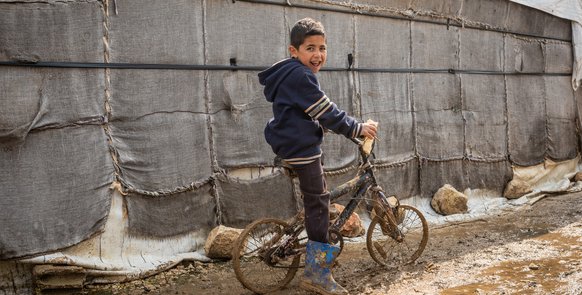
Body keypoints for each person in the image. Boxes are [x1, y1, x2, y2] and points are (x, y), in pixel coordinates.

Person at [258, 18, 377, 295]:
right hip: (301, 149)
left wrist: (336, 128)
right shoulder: (301, 76)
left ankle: (311, 228)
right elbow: (326, 110)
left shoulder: (291, 74)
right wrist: (357, 128)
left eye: (322, 48)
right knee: (320, 204)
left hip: (291, 141)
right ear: (294, 51)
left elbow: (309, 112)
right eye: (310, 48)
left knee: (316, 199)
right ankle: (317, 273)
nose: (318, 55)